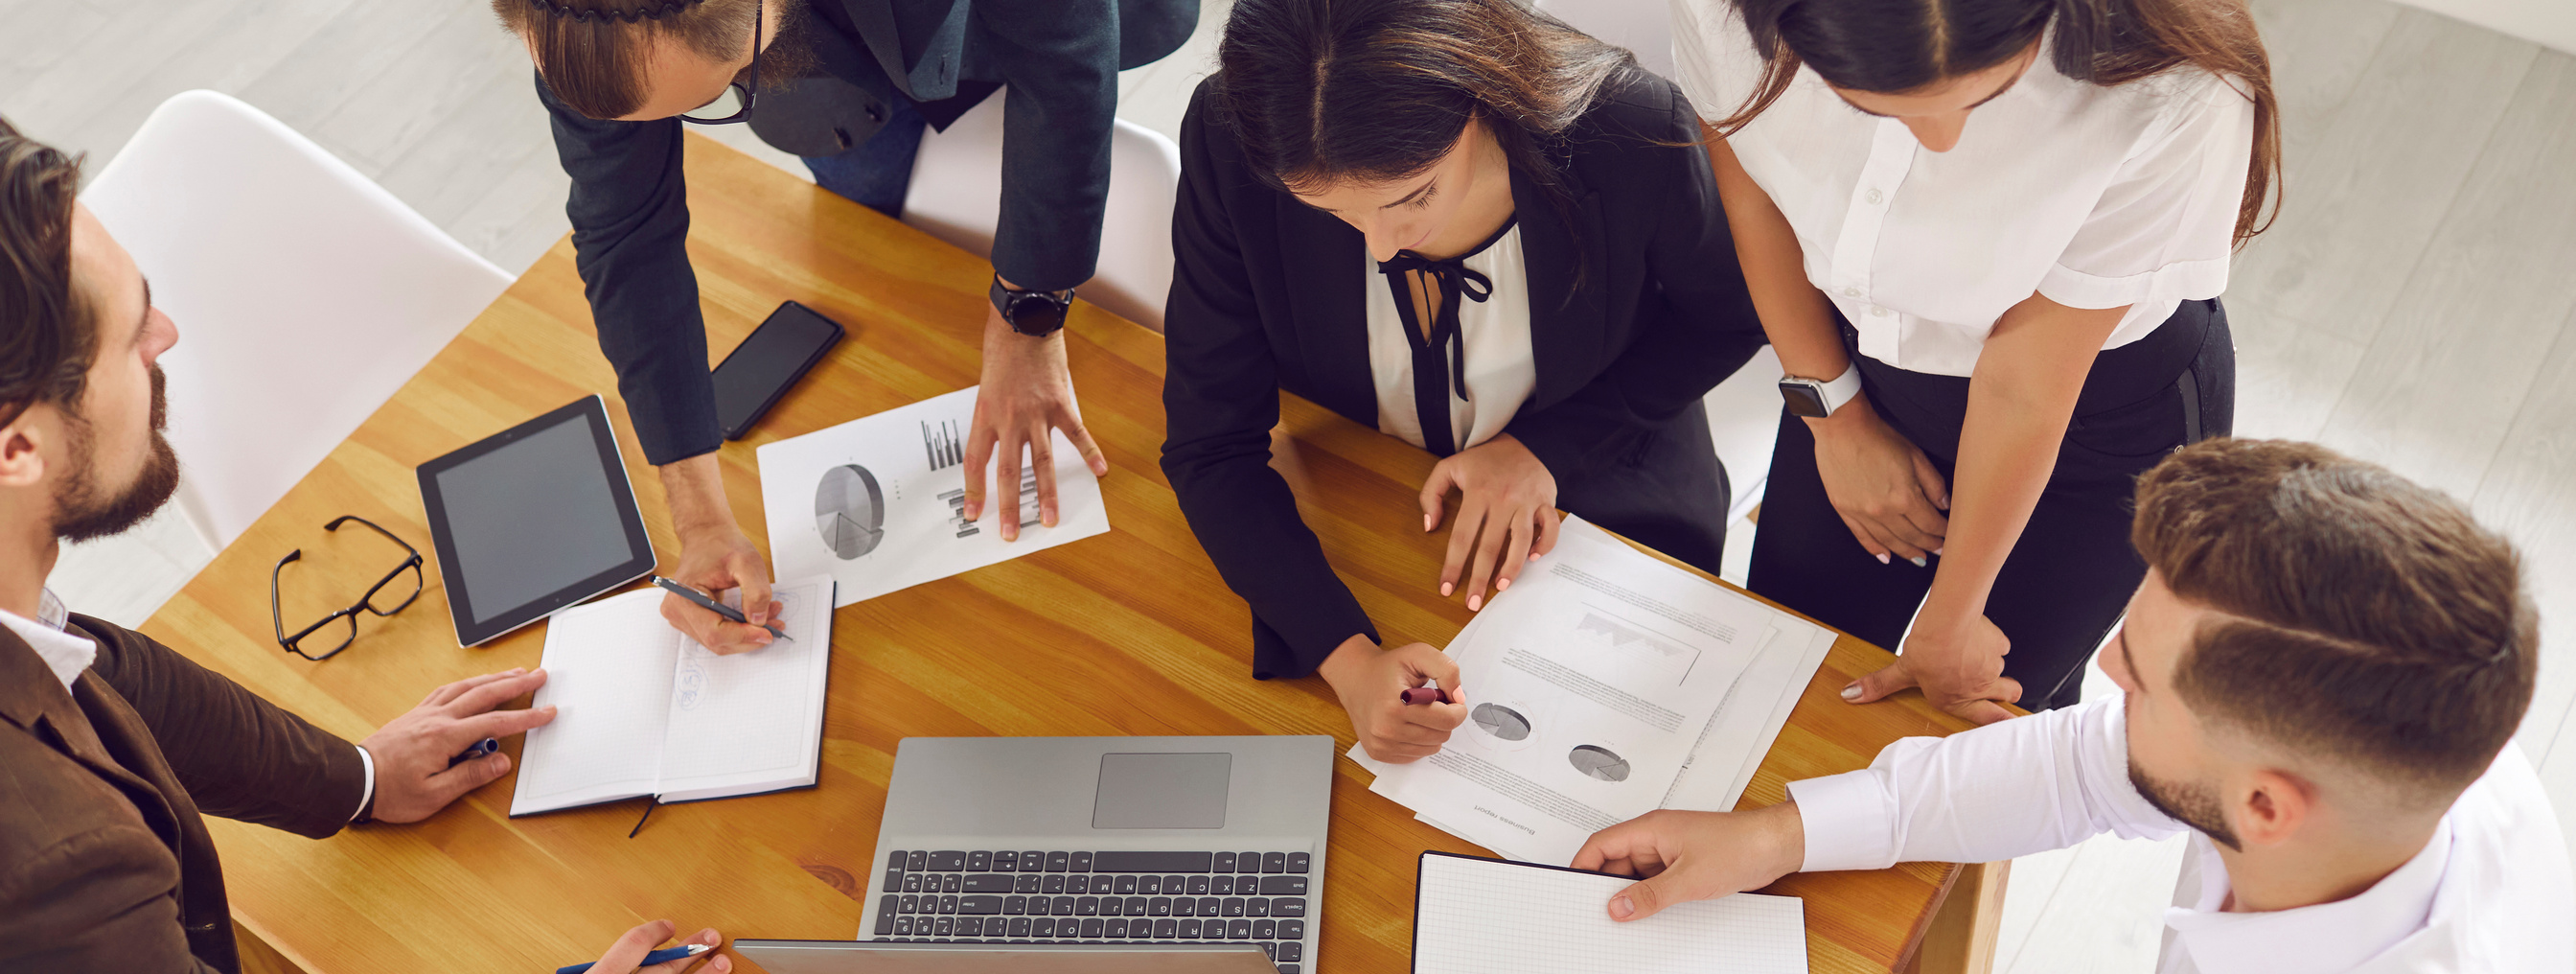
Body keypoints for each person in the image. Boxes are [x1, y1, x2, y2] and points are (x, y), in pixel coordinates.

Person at [0, 121, 722, 974]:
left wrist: (361, 778)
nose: (165, 335)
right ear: (18, 448)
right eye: (128, 335)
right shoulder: (62, 875)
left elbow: (100, 678)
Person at [1573, 439, 2573, 972]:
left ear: (2267, 808)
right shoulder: (2385, 752)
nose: (2103, 668)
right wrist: (1779, 834)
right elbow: (2077, 766)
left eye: (2138, 676)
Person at [1161, 0, 1765, 763]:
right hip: (1373, 494)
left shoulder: (1627, 129)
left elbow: (1727, 319)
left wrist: (1542, 448)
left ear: (1483, 97)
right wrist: (1348, 664)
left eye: (1414, 197)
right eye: (1332, 212)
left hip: (1610, 477)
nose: (1383, 249)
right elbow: (1211, 445)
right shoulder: (1230, 134)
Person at [493, 0, 1197, 655]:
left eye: (718, 94)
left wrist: (1028, 320)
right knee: (886, 240)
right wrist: (700, 516)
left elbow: (1065, 56)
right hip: (829, 83)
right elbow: (626, 234)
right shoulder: (577, 21)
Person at [1668, 0, 2276, 721]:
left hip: (2089, 419)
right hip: (1860, 365)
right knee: (1789, 665)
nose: (1943, 141)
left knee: (1973, 720)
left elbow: (2023, 385)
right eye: (1870, 108)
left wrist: (1953, 616)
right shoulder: (1723, 13)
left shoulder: (2175, 88)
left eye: (1986, 97)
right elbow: (1752, 194)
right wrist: (1834, 417)